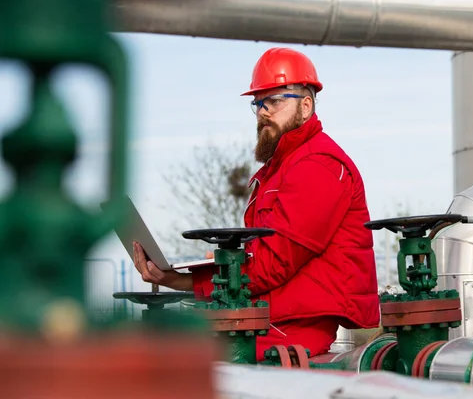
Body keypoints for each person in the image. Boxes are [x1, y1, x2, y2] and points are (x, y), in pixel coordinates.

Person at [132, 47, 380, 361]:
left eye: (274, 101)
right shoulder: (279, 170)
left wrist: (183, 280)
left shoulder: (318, 165)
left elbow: (273, 263)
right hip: (271, 317)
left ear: (305, 106)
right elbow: (258, 259)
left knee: (180, 363)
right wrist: (186, 276)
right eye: (258, 103)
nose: (263, 112)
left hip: (294, 327)